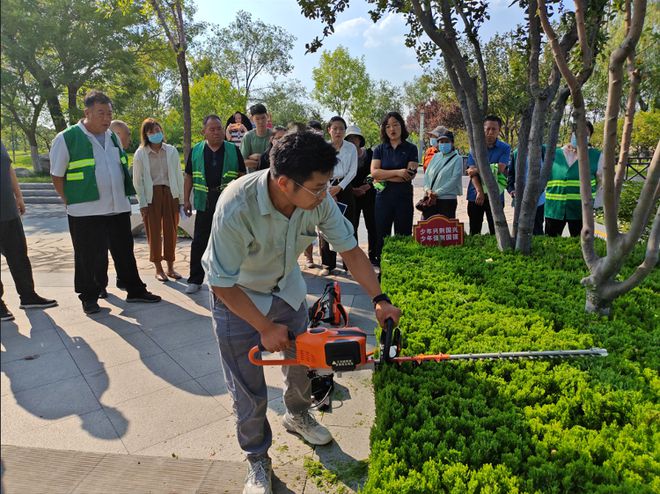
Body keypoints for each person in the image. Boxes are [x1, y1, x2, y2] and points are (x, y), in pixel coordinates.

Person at [201, 130, 402, 494]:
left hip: (286, 290)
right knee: (247, 387)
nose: (325, 193)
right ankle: (257, 459)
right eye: (317, 186)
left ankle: (297, 414)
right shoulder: (237, 204)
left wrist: (379, 299)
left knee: (301, 364)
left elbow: (351, 252)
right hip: (237, 298)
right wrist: (262, 326)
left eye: (328, 184)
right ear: (283, 182)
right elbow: (219, 281)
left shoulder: (317, 199)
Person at [50, 90, 161, 314]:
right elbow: (57, 175)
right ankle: (89, 297)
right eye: (101, 113)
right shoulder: (67, 138)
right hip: (85, 210)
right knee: (88, 256)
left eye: (109, 113)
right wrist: (68, 201)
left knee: (124, 252)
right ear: (87, 112)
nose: (106, 118)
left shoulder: (112, 137)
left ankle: (135, 290)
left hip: (117, 207)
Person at [183, 115, 246, 294]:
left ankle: (230, 280)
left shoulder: (233, 150)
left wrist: (241, 201)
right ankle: (195, 279)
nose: (216, 132)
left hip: (228, 203)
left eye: (219, 128)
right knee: (200, 241)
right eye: (212, 129)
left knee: (229, 241)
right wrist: (186, 199)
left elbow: (242, 175)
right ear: (204, 132)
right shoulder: (196, 151)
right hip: (204, 202)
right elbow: (188, 176)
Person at [0, 140, 58, 321]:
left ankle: (28, 296)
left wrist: (19, 196)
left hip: (8, 210)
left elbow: (8, 170)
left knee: (18, 255)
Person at [132, 118, 185, 281]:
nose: (156, 134)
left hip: (170, 193)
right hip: (151, 195)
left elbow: (178, 174)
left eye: (157, 130)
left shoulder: (171, 151)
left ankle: (170, 267)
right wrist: (142, 203)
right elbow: (137, 180)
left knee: (171, 231)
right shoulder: (141, 153)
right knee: (153, 232)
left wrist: (181, 199)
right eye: (151, 131)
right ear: (146, 135)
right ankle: (158, 268)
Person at [370, 112, 419, 267]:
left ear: (402, 127)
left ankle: (401, 265)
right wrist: (398, 172)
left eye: (396, 124)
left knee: (403, 233)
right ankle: (383, 267)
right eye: (388, 126)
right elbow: (374, 172)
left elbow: (409, 175)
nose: (392, 129)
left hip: (403, 197)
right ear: (384, 129)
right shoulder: (379, 149)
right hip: (383, 198)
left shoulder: (411, 148)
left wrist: (384, 176)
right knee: (382, 234)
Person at [545, 122, 602, 237]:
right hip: (554, 209)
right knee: (550, 242)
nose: (580, 136)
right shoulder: (555, 154)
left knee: (580, 244)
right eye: (577, 132)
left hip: (581, 211)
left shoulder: (597, 156)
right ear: (571, 134)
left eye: (585, 133)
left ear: (589, 136)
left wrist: (595, 204)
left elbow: (601, 183)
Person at [319, 116, 357, 276]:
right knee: (325, 224)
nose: (338, 132)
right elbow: (319, 170)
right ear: (329, 130)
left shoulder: (351, 148)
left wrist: (340, 187)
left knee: (349, 224)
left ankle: (351, 264)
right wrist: (329, 190)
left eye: (341, 128)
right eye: (335, 128)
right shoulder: (323, 148)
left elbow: (352, 171)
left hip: (345, 187)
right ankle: (328, 263)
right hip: (325, 187)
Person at [466, 115, 511, 235]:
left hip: (496, 195)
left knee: (496, 231)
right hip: (475, 194)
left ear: (499, 131)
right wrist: (479, 191)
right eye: (487, 129)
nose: (490, 132)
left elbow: (501, 168)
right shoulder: (475, 147)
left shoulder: (505, 148)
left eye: (494, 129)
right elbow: (471, 173)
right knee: (474, 231)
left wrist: (476, 169)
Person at [345, 125, 377, 266]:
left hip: (369, 194)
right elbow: (342, 176)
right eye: (350, 138)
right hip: (351, 194)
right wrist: (353, 190)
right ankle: (353, 258)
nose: (353, 141)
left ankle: (374, 255)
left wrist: (366, 186)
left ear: (360, 140)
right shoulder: (344, 156)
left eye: (355, 138)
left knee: (372, 225)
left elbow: (373, 172)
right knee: (352, 226)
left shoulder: (370, 154)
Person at [421, 130, 463, 219]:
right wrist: (428, 190)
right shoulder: (436, 156)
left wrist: (436, 193)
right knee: (429, 227)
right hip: (430, 200)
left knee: (445, 228)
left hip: (447, 200)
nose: (443, 144)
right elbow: (427, 176)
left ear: (452, 143)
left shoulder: (458, 159)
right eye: (441, 142)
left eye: (446, 142)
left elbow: (454, 180)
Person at [508, 146, 547, 235]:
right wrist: (512, 190)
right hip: (520, 200)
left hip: (538, 199)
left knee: (537, 229)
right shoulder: (516, 153)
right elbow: (511, 175)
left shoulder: (543, 150)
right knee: (520, 230)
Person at [240, 104, 272, 173]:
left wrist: (260, 158)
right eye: (257, 119)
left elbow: (279, 159)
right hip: (252, 176)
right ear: (252, 119)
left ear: (267, 116)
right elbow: (242, 161)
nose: (261, 122)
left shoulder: (274, 135)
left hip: (271, 176)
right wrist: (263, 162)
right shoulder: (248, 136)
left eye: (263, 118)